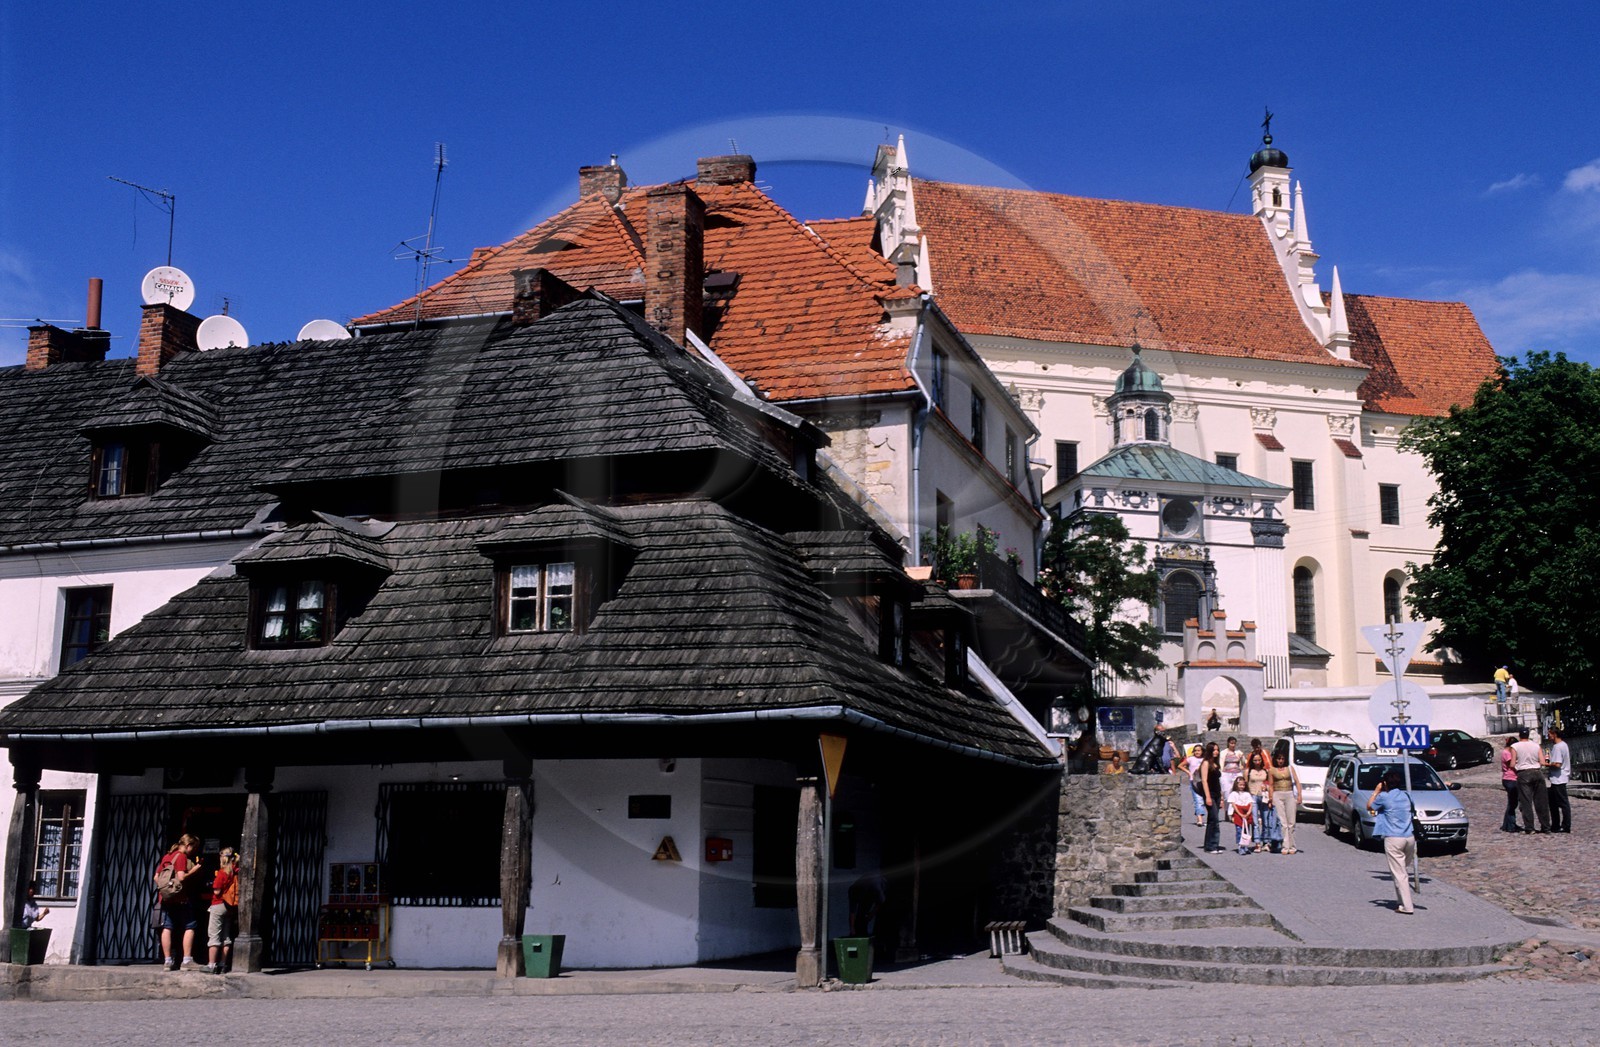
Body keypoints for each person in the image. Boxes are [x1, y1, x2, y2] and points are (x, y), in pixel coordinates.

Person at [1367, 770, 1417, 914]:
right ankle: (1400, 902)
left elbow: (1369, 806)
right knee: (1400, 871)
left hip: (1394, 838)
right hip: (1409, 837)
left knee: (1399, 873)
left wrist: (1376, 791)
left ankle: (1407, 906)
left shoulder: (1384, 797)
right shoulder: (1407, 796)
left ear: (1385, 784)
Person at [154, 833, 204, 971]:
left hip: (165, 899)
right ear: (188, 846)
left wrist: (166, 889)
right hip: (180, 899)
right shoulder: (181, 856)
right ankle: (187, 960)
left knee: (167, 927)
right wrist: (194, 870)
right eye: (193, 848)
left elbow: (156, 877)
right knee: (190, 925)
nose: (193, 851)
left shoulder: (167, 856)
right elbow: (181, 877)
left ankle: (167, 961)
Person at [206, 847, 241, 975]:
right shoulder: (235, 871)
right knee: (226, 936)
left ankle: (211, 965)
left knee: (214, 935)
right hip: (230, 906)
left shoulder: (222, 872)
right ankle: (223, 964)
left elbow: (217, 891)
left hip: (218, 904)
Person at [1510, 727, 1551, 833]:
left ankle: (1530, 827)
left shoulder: (1515, 746)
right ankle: (1546, 827)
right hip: (1537, 772)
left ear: (1519, 735)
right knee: (1541, 802)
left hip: (1523, 773)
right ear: (1528, 735)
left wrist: (1517, 771)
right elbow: (1542, 762)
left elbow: (1512, 764)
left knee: (1526, 802)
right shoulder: (1536, 746)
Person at [1268, 749, 1301, 855]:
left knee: (1291, 821)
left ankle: (1292, 845)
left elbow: (1297, 781)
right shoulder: (1272, 770)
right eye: (1278, 759)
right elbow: (1271, 785)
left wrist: (1300, 795)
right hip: (1278, 794)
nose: (1280, 761)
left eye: (1282, 759)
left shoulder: (1290, 768)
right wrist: (1270, 798)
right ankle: (1285, 845)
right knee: (1283, 822)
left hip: (1289, 793)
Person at [1546, 727, 1572, 834]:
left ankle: (1565, 825)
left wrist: (1546, 764)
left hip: (1558, 779)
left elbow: (1557, 764)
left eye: (1549, 734)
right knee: (1553, 803)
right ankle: (1556, 825)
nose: (1548, 736)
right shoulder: (1564, 744)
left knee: (1562, 803)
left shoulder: (1557, 747)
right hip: (1559, 778)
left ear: (1554, 734)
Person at [1244, 750, 1272, 852]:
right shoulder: (1248, 771)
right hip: (1253, 796)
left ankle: (1266, 841)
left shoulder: (1266, 771)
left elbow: (1270, 783)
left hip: (1264, 796)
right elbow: (1245, 785)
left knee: (1266, 820)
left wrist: (1268, 790)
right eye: (1255, 760)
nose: (1257, 762)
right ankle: (1257, 842)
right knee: (1255, 821)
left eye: (1259, 760)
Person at [1199, 742, 1225, 853]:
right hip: (1210, 794)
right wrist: (1208, 797)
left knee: (1212, 820)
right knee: (1214, 820)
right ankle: (1212, 845)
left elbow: (1218, 781)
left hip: (1217, 793)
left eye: (1217, 750)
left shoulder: (1215, 764)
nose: (1216, 752)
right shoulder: (1205, 763)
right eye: (1214, 750)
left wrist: (1222, 797)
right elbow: (1204, 780)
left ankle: (1209, 844)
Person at [1227, 776, 1256, 855]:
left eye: (1243, 785)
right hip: (1238, 814)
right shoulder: (1233, 794)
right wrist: (1239, 814)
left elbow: (1250, 804)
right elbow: (1233, 805)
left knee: (1246, 831)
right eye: (1240, 785)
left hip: (1246, 813)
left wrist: (1248, 813)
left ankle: (1245, 846)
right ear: (1236, 785)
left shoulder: (1247, 794)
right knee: (1239, 831)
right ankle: (1240, 846)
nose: (1242, 787)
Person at [1498, 736, 1520, 832]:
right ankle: (1510, 825)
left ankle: (1508, 824)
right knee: (1512, 803)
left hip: (1511, 779)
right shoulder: (1506, 753)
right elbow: (1512, 765)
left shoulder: (1508, 752)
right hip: (1510, 779)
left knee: (1512, 803)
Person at [1182, 744, 1206, 826]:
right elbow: (1180, 765)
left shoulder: (1205, 760)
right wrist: (1188, 772)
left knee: (1203, 800)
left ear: (1202, 751)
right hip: (1194, 782)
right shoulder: (1191, 759)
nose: (1197, 752)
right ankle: (1200, 819)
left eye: (1198, 750)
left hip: (1204, 781)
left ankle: (1199, 816)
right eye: (1195, 750)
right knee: (1198, 800)